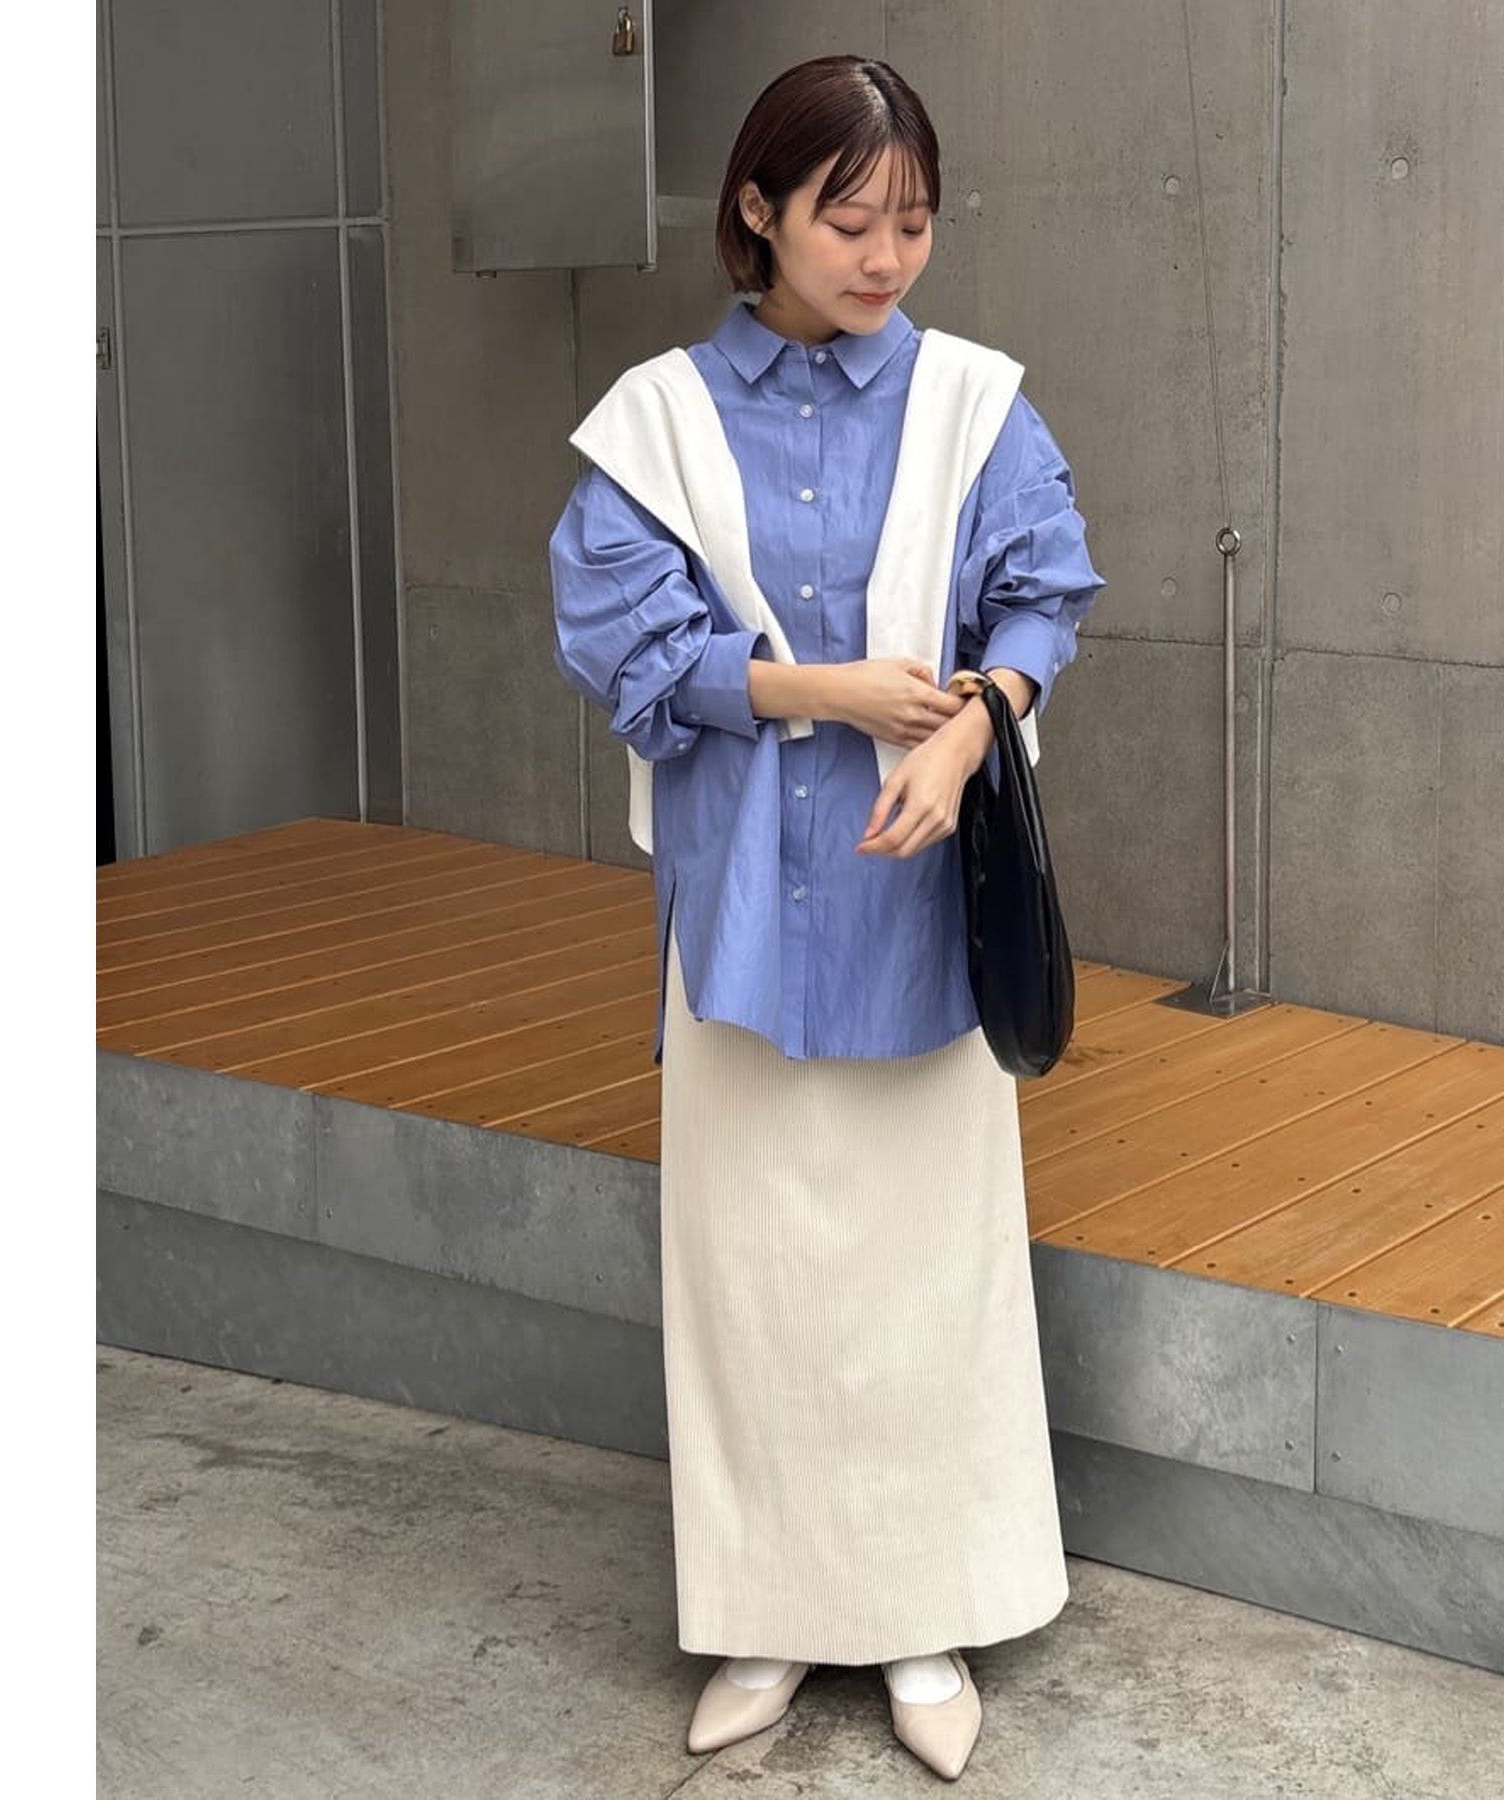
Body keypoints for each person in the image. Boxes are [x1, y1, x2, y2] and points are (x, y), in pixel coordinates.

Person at [547, 54, 1106, 1783]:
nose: (886, 256)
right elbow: (625, 644)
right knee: (751, 1288)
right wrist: (825, 689)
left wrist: (968, 724)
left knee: (929, 1283)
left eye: (913, 222)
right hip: (740, 922)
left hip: (921, 915)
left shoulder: (974, 403)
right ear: (758, 210)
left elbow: (1043, 596)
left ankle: (926, 1612)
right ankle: (771, 1613)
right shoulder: (656, 420)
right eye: (850, 218)